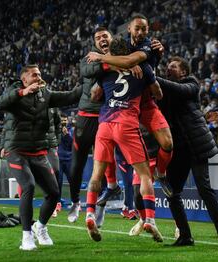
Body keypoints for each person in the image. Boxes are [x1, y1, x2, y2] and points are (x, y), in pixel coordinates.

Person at [87, 13, 174, 201]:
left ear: (148, 30)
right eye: (137, 28)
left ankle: (161, 173)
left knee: (167, 142)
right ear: (129, 29)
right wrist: (115, 63)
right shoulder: (121, 44)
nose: (141, 32)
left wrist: (109, 59)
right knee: (109, 148)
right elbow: (114, 63)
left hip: (145, 102)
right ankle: (113, 187)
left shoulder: (149, 45)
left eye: (144, 28)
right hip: (124, 105)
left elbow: (127, 61)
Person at [0, 64, 81, 251]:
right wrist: (23, 92)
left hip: (38, 150)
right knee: (28, 186)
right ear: (24, 79)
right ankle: (26, 236)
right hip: (16, 150)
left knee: (54, 193)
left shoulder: (45, 95)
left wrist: (90, 80)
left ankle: (40, 227)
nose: (38, 77)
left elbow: (71, 96)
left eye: (40, 74)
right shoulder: (14, 90)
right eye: (34, 75)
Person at [85, 38, 162, 243]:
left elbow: (94, 95)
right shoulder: (143, 67)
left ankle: (90, 213)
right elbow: (158, 93)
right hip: (126, 123)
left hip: (105, 124)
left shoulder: (105, 68)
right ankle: (150, 220)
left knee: (96, 174)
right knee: (145, 174)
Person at [156, 56, 218, 247]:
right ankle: (185, 236)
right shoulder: (164, 91)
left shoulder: (191, 83)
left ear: (183, 72)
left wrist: (152, 77)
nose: (169, 68)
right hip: (178, 148)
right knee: (172, 193)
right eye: (168, 66)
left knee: (204, 188)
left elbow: (180, 91)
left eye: (173, 67)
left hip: (196, 146)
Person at [67, 27, 114, 223]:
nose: (102, 39)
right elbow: (87, 70)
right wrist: (110, 63)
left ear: (111, 38)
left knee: (104, 164)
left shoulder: (122, 56)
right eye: (98, 38)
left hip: (107, 116)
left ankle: (99, 204)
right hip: (86, 117)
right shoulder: (89, 58)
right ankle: (76, 202)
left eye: (105, 36)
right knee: (77, 164)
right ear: (94, 43)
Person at [54, 113, 73, 217]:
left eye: (65, 120)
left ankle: (75, 202)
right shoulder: (56, 130)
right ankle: (58, 203)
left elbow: (73, 144)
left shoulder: (72, 130)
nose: (63, 122)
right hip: (58, 159)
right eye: (62, 120)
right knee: (59, 182)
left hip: (69, 159)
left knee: (73, 181)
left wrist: (67, 135)